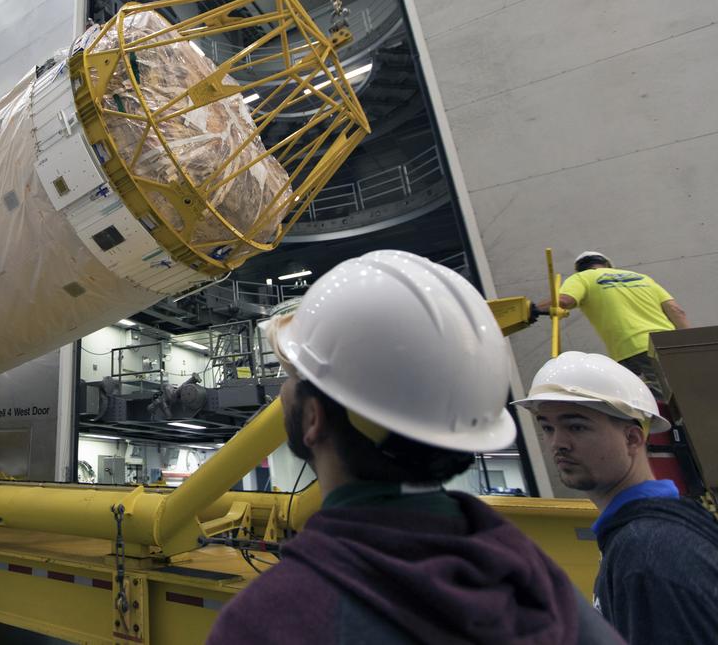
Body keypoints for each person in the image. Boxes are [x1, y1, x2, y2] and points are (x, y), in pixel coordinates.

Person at [208, 251, 618, 644]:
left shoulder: (266, 621)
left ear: (313, 418)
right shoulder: (546, 590)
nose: (283, 390)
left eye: (293, 376)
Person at [515, 351, 718, 642]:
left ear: (632, 439)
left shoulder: (647, 551)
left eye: (576, 426)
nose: (558, 443)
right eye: (548, 427)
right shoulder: (650, 532)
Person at [533, 252, 690, 391]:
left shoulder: (582, 277)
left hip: (634, 347)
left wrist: (532, 309)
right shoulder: (643, 278)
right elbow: (676, 311)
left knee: (653, 398)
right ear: (608, 264)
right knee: (685, 390)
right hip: (669, 343)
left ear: (580, 268)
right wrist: (690, 345)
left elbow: (564, 301)